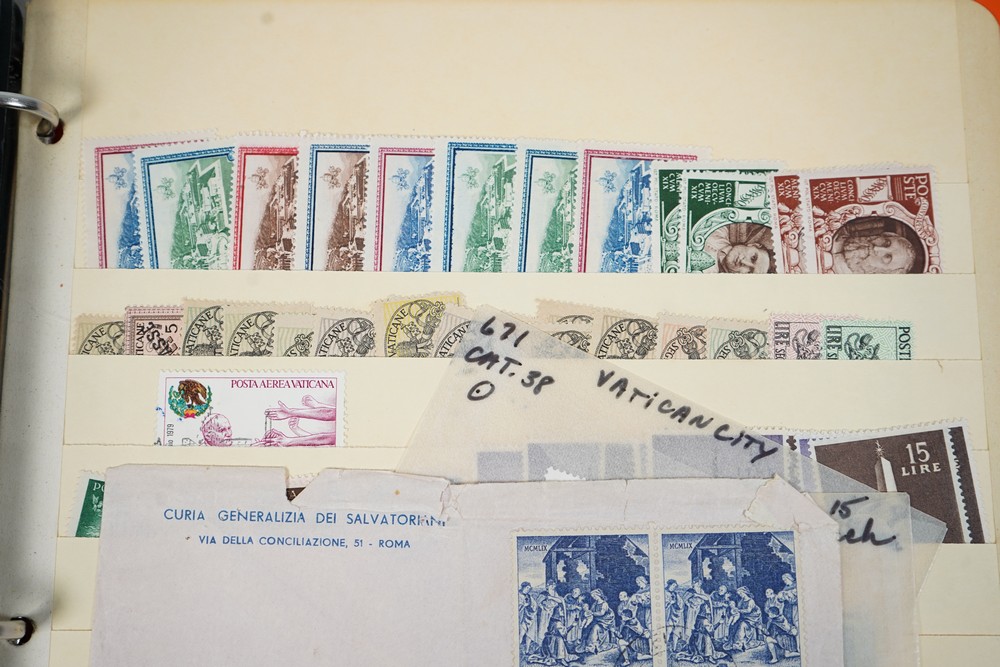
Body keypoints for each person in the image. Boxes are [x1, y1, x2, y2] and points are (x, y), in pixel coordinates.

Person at [832, 226, 918, 274]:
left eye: (887, 257)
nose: (876, 248)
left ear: (882, 273)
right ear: (884, 234)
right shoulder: (838, 227)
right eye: (886, 243)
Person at [703, 222, 776, 274]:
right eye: (753, 258)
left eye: (749, 272)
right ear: (754, 245)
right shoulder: (720, 228)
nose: (743, 262)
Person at [763, 588, 799, 663]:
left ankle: (778, 656)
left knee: (769, 640)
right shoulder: (768, 603)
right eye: (766, 592)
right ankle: (775, 657)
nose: (766, 594)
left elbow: (787, 628)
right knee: (769, 639)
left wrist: (791, 630)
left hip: (784, 638)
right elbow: (766, 609)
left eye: (767, 593)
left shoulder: (779, 619)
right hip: (779, 637)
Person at [727, 587, 765, 651]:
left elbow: (748, 610)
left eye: (741, 593)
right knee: (735, 625)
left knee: (742, 625)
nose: (740, 595)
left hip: (752, 617)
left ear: (745, 592)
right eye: (739, 594)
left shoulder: (751, 601)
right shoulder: (741, 600)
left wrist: (738, 610)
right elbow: (738, 608)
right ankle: (736, 642)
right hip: (744, 617)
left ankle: (740, 642)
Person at [582, 589, 616, 654]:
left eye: (595, 596)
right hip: (597, 620)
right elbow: (591, 611)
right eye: (593, 597)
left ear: (599, 595)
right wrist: (588, 613)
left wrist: (592, 613)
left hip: (605, 621)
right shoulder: (595, 603)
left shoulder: (604, 604)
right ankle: (591, 646)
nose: (594, 598)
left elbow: (601, 613)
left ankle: (594, 646)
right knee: (588, 628)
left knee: (595, 628)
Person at [518, 582, 538, 653]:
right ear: (523, 587)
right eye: (527, 588)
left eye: (529, 588)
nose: (528, 589)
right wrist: (523, 605)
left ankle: (527, 651)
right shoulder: (518, 595)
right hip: (522, 617)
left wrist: (533, 608)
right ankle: (518, 650)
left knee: (529, 634)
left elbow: (534, 605)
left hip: (529, 617)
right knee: (521, 633)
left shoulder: (529, 596)